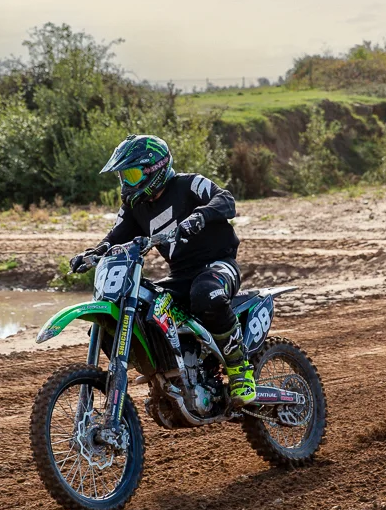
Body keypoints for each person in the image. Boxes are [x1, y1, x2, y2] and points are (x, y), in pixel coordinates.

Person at [70, 134, 256, 405]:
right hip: (180, 277)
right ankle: (166, 374)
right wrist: (95, 253)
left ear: (154, 169)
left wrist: (201, 216)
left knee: (206, 294)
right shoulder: (135, 206)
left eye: (131, 174)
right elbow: (116, 235)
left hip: (218, 266)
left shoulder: (189, 184)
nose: (126, 183)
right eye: (123, 176)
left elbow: (226, 199)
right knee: (143, 306)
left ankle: (240, 371)